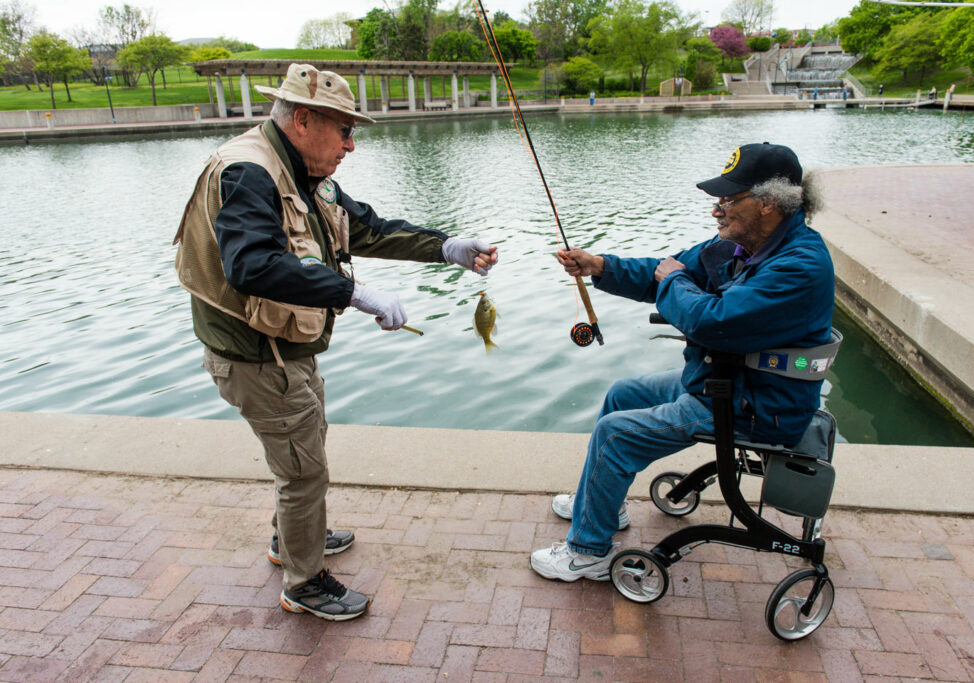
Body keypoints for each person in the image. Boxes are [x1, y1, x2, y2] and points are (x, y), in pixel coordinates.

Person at [173, 63, 498, 620]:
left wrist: (447, 247)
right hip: (258, 357)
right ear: (303, 120)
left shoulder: (299, 168)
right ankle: (304, 584)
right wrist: (353, 292)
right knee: (304, 470)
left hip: (283, 350)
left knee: (304, 448)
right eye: (344, 130)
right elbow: (252, 265)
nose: (351, 144)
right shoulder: (248, 172)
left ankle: (292, 539)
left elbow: (365, 227)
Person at [530, 142, 834, 581]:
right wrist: (599, 266)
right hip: (723, 380)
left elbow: (711, 320)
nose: (717, 209)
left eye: (729, 199)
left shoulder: (799, 265)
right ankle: (604, 508)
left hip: (756, 404)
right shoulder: (744, 244)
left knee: (615, 435)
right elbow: (667, 269)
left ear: (769, 203)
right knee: (624, 394)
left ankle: (587, 552)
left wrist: (672, 281)